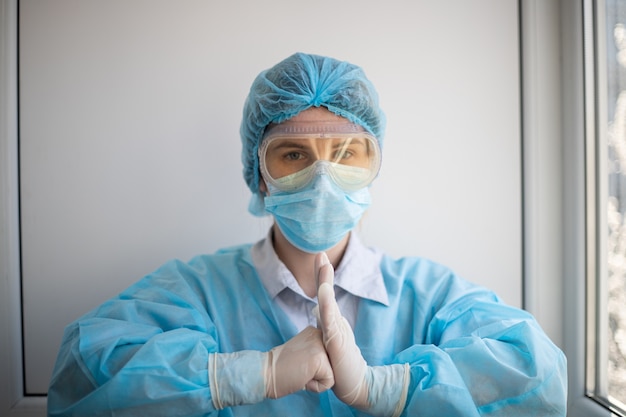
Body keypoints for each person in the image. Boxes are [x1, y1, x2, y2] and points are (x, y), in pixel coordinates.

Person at [47, 52, 568, 417]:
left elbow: (537, 377)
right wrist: (249, 375)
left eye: (346, 154)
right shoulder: (196, 292)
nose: (322, 177)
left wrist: (388, 388)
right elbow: (81, 375)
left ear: (373, 168)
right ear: (259, 173)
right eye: (293, 154)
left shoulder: (428, 296)